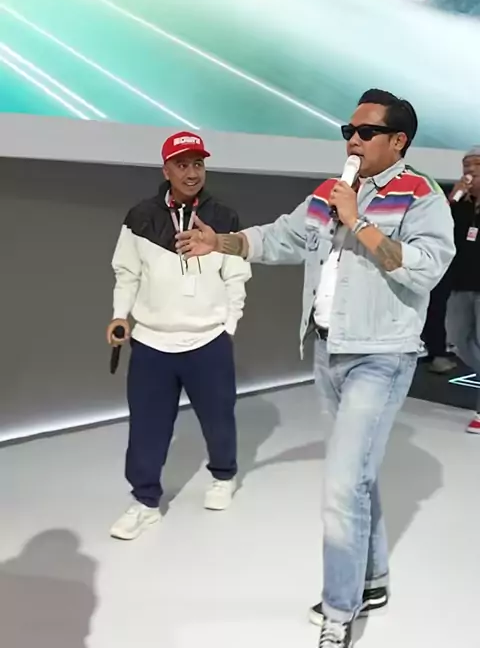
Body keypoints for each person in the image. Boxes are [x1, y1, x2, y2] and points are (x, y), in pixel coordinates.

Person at [177, 90, 455, 648]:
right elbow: (282, 237)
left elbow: (426, 268)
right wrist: (221, 242)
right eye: (348, 130)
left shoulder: (421, 195)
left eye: (366, 132)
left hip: (381, 354)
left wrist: (360, 222)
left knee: (340, 487)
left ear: (398, 141)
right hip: (328, 352)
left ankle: (338, 609)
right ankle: (372, 581)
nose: (353, 140)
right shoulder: (330, 192)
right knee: (358, 479)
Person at [107, 131, 251, 541]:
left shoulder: (223, 216)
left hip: (208, 341)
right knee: (147, 427)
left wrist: (228, 326)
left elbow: (236, 277)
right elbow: (127, 273)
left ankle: (223, 476)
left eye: (198, 164)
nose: (192, 173)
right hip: (152, 343)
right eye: (182, 165)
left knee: (219, 419)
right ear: (166, 170)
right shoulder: (140, 216)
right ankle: (144, 502)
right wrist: (119, 316)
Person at [446, 146, 480, 433]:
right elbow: (438, 230)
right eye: (465, 165)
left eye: (476, 165)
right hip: (461, 283)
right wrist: (451, 200)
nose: (469, 170)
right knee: (458, 339)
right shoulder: (460, 204)